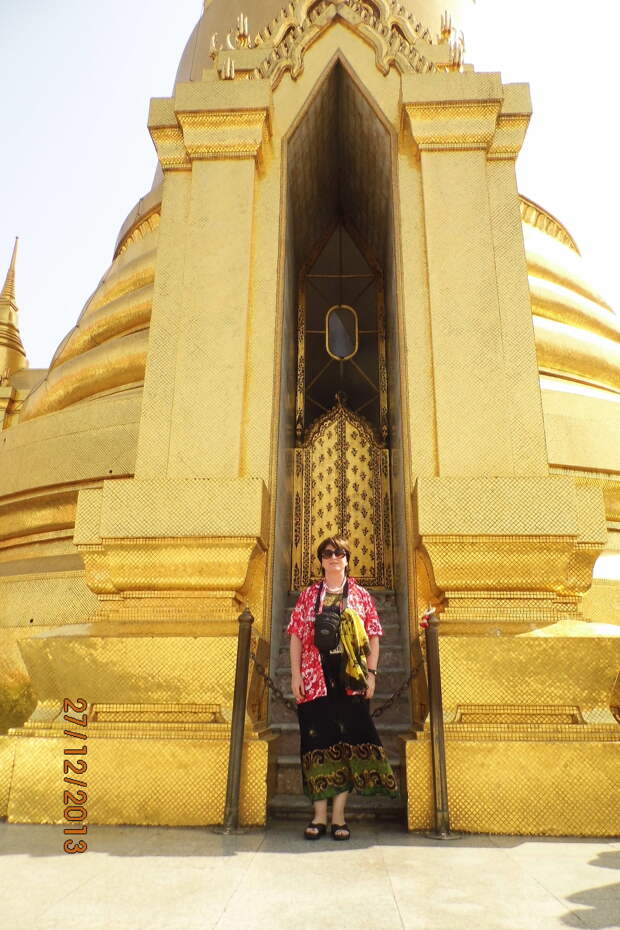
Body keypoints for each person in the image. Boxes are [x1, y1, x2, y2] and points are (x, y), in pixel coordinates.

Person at [287, 535, 397, 841]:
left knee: (349, 742)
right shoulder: (309, 596)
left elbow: (373, 635)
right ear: (321, 560)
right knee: (316, 744)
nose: (333, 557)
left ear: (347, 558)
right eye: (327, 553)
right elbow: (297, 636)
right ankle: (319, 815)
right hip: (314, 677)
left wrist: (372, 675)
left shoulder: (361, 596)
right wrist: (296, 675)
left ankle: (339, 816)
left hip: (351, 680)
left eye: (339, 553)